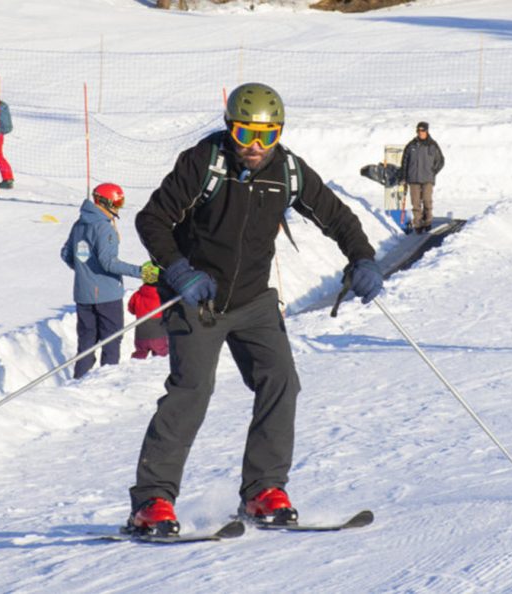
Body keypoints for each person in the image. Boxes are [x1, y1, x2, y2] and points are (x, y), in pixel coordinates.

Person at [126, 82, 384, 537]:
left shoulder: (288, 171)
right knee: (192, 391)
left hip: (253, 301)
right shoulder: (203, 162)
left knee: (281, 381)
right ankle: (152, 501)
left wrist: (362, 258)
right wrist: (181, 270)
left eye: (268, 135)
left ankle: (263, 491)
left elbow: (338, 217)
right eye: (246, 134)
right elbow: (152, 219)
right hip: (197, 299)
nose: (256, 147)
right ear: (231, 129)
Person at [60, 183, 143, 379]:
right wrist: (140, 272)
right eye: (117, 202)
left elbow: (66, 254)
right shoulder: (104, 227)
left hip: (83, 294)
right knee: (111, 341)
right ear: (104, 202)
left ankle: (79, 381)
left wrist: (84, 271)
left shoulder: (79, 223)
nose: (118, 207)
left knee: (87, 342)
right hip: (107, 295)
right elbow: (108, 263)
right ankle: (106, 382)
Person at [399, 121, 445, 234]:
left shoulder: (433, 145)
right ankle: (418, 224)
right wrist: (404, 177)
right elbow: (404, 162)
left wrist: (433, 172)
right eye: (419, 131)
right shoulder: (411, 145)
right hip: (413, 178)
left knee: (427, 201)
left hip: (427, 179)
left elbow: (440, 161)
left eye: (423, 130)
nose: (420, 133)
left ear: (427, 131)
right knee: (415, 203)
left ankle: (428, 222)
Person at [127, 261, 169, 359]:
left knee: (139, 356)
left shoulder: (137, 295)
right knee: (161, 357)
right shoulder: (162, 295)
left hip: (141, 335)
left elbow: (131, 309)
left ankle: (132, 371)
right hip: (159, 334)